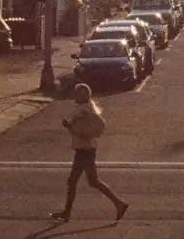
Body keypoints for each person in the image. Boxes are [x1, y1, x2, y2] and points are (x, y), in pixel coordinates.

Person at [52, 83, 128, 222]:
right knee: (92, 181)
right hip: (86, 149)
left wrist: (69, 126)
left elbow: (83, 130)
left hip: (84, 150)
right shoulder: (87, 108)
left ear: (84, 95)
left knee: (74, 181)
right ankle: (119, 204)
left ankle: (67, 213)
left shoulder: (84, 110)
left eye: (78, 93)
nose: (75, 95)